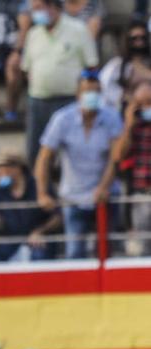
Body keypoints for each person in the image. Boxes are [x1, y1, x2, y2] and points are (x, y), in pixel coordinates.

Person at [36, 70, 122, 259]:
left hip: (105, 197)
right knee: (75, 253)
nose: (93, 95)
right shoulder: (62, 119)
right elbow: (44, 157)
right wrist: (42, 192)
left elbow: (115, 157)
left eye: (97, 91)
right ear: (78, 94)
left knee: (106, 252)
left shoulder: (111, 117)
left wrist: (104, 186)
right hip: (73, 197)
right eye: (88, 91)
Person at [21, 0, 97, 166]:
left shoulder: (78, 29)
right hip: (38, 100)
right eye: (33, 9)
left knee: (71, 152)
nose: (35, 13)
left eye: (39, 8)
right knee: (36, 151)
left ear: (53, 6)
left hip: (69, 100)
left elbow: (91, 66)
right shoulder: (33, 34)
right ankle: (39, 189)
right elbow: (27, 68)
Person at [0, 149, 61, 261]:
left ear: (18, 168)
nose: (1, 172)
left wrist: (40, 231)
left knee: (39, 256)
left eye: (5, 167)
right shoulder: (2, 189)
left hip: (38, 239)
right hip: (11, 240)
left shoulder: (39, 185)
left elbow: (58, 217)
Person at [112, 83, 151, 256]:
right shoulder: (132, 128)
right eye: (141, 104)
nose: (146, 108)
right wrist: (129, 124)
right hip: (141, 195)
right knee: (144, 251)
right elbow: (118, 156)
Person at [98, 21, 151, 112]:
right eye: (134, 38)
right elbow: (105, 84)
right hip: (128, 111)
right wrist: (125, 97)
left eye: (143, 38)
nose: (139, 42)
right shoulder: (117, 64)